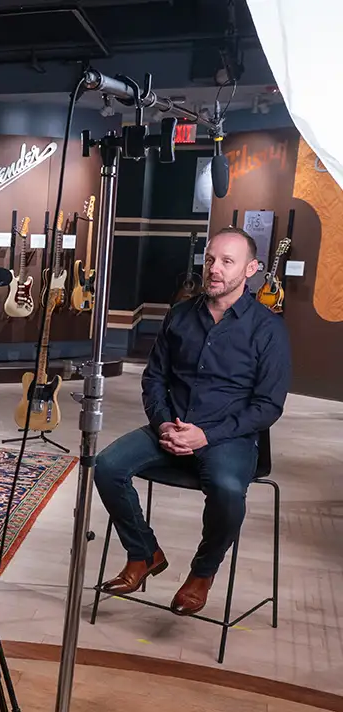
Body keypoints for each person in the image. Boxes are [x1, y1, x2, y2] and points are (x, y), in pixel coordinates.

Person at [94, 227, 291, 616]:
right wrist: (164, 423)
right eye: (211, 259)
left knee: (227, 488)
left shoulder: (268, 329)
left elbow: (268, 405)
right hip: (171, 427)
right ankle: (144, 553)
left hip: (228, 436)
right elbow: (154, 379)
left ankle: (202, 573)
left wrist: (207, 435)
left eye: (227, 262)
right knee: (106, 465)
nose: (214, 269)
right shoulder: (180, 315)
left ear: (251, 268)